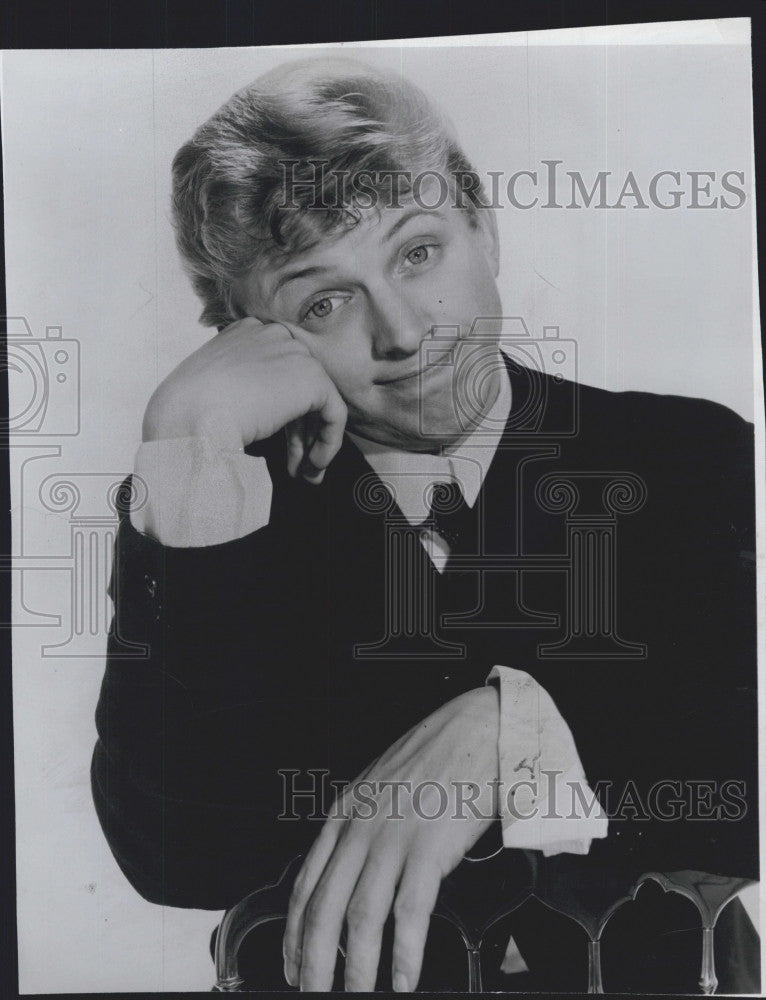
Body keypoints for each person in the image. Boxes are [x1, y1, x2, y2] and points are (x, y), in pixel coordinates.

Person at [91, 56, 759, 992]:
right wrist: (185, 439)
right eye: (324, 301)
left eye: (418, 252)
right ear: (241, 332)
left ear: (483, 225)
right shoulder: (228, 523)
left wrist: (512, 730)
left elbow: (739, 769)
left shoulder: (694, 456)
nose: (403, 334)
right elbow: (177, 858)